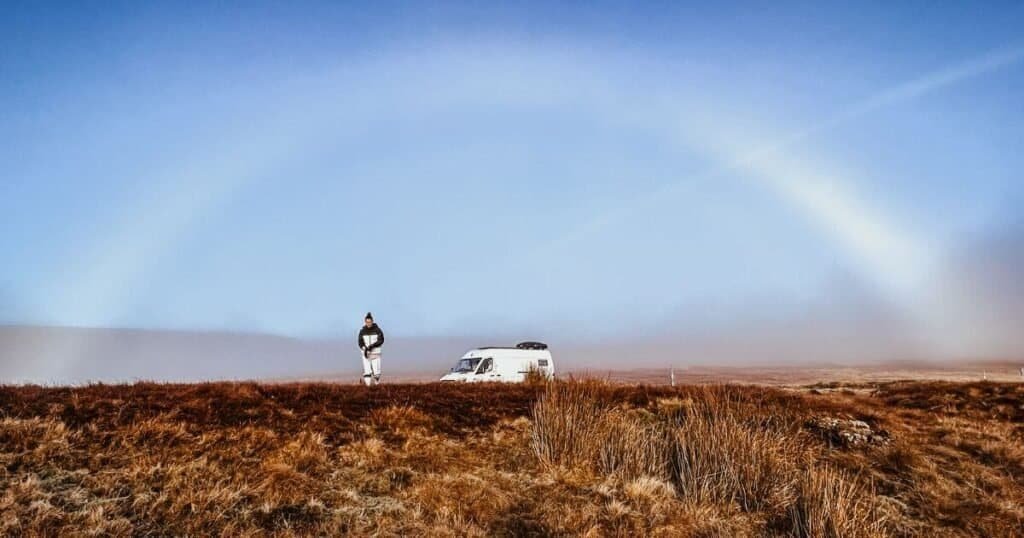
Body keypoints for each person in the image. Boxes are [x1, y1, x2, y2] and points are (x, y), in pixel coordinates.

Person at [358, 312, 384, 386]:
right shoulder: (362, 331)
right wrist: (364, 348)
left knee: (377, 374)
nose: (368, 323)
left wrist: (372, 346)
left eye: (369, 322)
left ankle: (377, 387)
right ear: (365, 322)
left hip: (376, 354)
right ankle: (367, 388)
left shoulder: (378, 330)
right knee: (367, 372)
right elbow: (360, 341)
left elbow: (381, 340)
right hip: (366, 354)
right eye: (367, 322)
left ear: (372, 321)